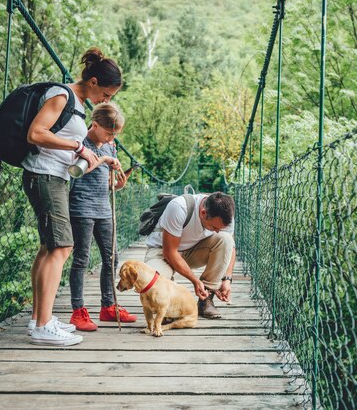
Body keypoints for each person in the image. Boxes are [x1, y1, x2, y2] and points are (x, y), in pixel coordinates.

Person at [22, 47, 122, 346]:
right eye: (106, 93)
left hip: (55, 176)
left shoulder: (77, 104)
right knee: (63, 248)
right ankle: (42, 326)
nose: (108, 100)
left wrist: (87, 156)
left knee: (48, 248)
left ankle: (40, 318)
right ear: (92, 81)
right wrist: (78, 148)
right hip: (44, 175)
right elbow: (35, 134)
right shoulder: (62, 95)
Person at [68, 102, 139, 331]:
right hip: (81, 208)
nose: (111, 139)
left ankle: (108, 306)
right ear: (95, 125)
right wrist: (105, 160)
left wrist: (117, 184)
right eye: (109, 133)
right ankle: (78, 311)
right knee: (82, 259)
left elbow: (105, 183)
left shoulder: (110, 146)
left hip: (103, 209)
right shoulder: (81, 142)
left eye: (115, 135)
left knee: (112, 258)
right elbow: (79, 171)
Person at [144, 192, 236, 319]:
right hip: (162, 252)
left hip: (192, 251)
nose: (217, 231)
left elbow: (230, 248)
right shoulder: (179, 207)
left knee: (226, 239)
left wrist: (227, 279)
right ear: (203, 213)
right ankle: (168, 299)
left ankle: (206, 299)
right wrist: (195, 281)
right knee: (151, 281)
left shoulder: (225, 215)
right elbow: (169, 253)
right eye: (214, 227)